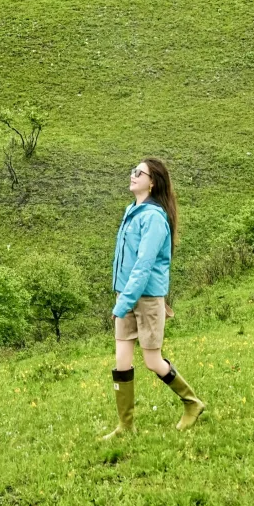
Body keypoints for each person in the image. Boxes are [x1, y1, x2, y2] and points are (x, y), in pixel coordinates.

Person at [105, 157, 206, 437]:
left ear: (152, 182)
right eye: (132, 170)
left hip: (147, 299)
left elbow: (143, 265)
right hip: (125, 295)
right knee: (122, 361)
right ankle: (125, 426)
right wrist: (121, 296)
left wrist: (123, 302)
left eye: (139, 172)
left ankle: (192, 402)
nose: (133, 174)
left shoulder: (154, 218)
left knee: (152, 361)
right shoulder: (132, 211)